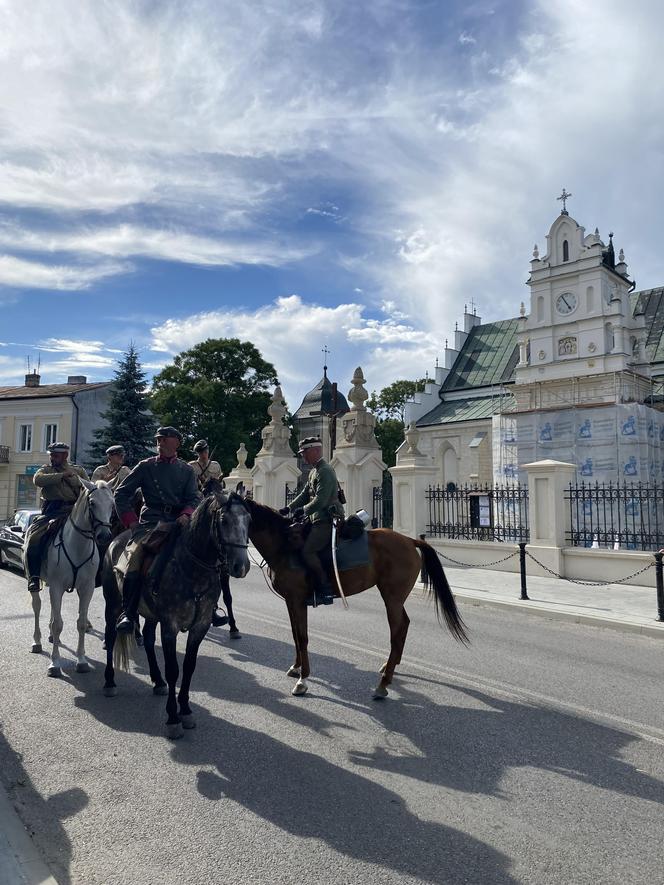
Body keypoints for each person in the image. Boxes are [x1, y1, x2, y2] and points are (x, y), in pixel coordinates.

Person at [113, 426, 200, 633]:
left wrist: (187, 514)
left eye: (165, 439)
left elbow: (194, 497)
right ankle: (128, 611)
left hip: (179, 523)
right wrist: (131, 522)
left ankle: (207, 605)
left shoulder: (187, 470)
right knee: (134, 559)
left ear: (177, 443)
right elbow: (121, 494)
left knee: (206, 554)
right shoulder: (145, 466)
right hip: (151, 523)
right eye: (158, 439)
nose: (160, 443)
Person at [281, 436, 344, 602]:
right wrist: (290, 507)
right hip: (316, 519)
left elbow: (321, 500)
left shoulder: (325, 471)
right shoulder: (314, 471)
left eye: (305, 452)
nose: (303, 456)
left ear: (316, 451)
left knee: (308, 551)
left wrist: (303, 510)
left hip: (327, 520)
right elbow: (304, 495)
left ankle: (325, 589)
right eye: (302, 453)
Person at [25, 442, 89, 593]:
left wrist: (73, 479)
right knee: (34, 538)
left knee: (96, 534)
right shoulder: (46, 469)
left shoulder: (78, 470)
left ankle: (99, 571)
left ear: (65, 455)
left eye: (56, 455)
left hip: (75, 510)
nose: (52, 458)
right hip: (53, 511)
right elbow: (38, 480)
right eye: (51, 455)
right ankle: (34, 577)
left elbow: (88, 486)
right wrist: (61, 476)